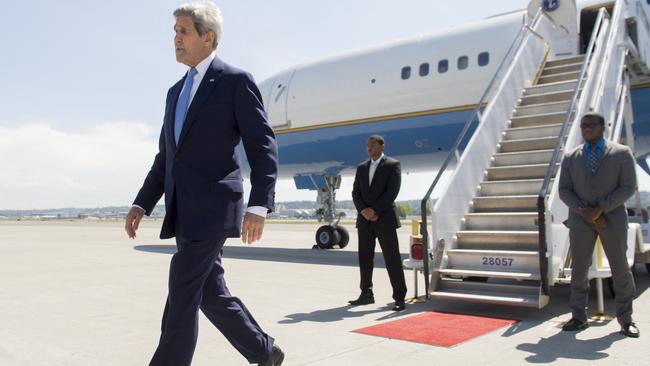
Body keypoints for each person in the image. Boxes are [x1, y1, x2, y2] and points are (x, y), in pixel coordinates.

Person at [123, 3, 284, 365]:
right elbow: (167, 158)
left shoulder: (234, 81)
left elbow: (262, 144)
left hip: (214, 207)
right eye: (175, 31)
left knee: (182, 289)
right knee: (209, 292)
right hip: (183, 210)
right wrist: (141, 203)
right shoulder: (174, 92)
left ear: (207, 37)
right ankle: (264, 351)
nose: (175, 38)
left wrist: (259, 204)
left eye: (183, 31)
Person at [558, 112, 639, 338]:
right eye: (583, 125)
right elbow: (564, 189)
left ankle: (626, 320)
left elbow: (628, 186)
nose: (587, 128)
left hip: (612, 219)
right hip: (581, 220)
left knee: (620, 269)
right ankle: (578, 317)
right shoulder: (571, 157)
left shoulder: (621, 153)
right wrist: (586, 211)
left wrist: (600, 208)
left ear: (602, 127)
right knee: (579, 270)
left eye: (592, 125)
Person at [350, 135, 407, 311]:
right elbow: (355, 193)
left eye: (372, 145)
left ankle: (399, 297)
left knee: (392, 258)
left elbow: (392, 192)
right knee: (365, 258)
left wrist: (374, 210)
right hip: (365, 220)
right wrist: (364, 211)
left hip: (385, 218)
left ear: (382, 146)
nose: (369, 148)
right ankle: (366, 293)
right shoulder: (361, 168)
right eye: (367, 145)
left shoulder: (392, 165)